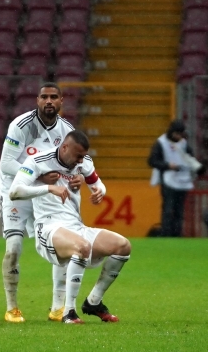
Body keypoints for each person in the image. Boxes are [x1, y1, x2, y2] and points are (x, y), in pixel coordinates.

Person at [9, 130, 132, 324]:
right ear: (64, 147)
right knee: (82, 247)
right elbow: (15, 191)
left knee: (123, 246)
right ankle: (69, 312)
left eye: (83, 156)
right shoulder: (38, 161)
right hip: (48, 227)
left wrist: (99, 192)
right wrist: (49, 188)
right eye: (78, 156)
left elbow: (98, 184)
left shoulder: (83, 163)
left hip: (76, 225)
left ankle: (93, 302)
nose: (81, 161)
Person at [0, 82, 82, 323]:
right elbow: (6, 163)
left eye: (53, 97)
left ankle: (57, 307)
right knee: (14, 247)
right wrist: (38, 175)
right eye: (44, 97)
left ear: (61, 101)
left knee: (62, 246)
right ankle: (12, 307)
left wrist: (77, 177)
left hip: (47, 192)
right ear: (37, 100)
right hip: (18, 189)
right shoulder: (21, 125)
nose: (49, 101)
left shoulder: (67, 130)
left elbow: (72, 163)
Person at [147, 120, 201, 237]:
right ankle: (166, 233)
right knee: (168, 208)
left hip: (182, 180)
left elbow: (190, 158)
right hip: (168, 181)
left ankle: (177, 234)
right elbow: (152, 161)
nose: (178, 137)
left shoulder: (183, 144)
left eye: (180, 134)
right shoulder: (161, 143)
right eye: (176, 134)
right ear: (171, 132)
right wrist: (167, 165)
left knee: (179, 209)